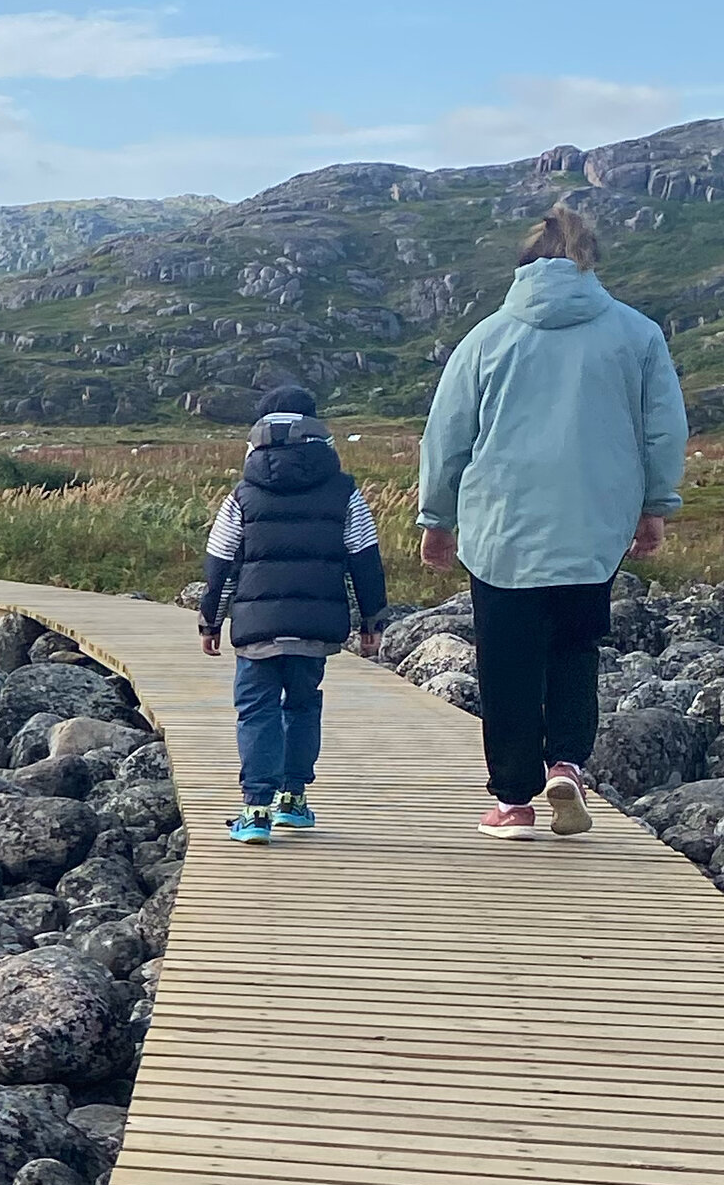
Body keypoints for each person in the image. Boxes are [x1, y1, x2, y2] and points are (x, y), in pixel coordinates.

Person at [418, 200, 686, 838]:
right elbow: (662, 431)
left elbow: (448, 435)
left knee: (507, 661)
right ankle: (566, 761)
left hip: (502, 527)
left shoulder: (487, 337)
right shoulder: (637, 333)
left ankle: (513, 801)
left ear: (524, 266)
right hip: (595, 523)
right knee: (574, 647)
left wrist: (438, 518)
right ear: (589, 261)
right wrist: (655, 507)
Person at [197, 380, 388, 843]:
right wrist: (371, 621)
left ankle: (255, 810)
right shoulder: (344, 492)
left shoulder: (242, 494)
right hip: (315, 625)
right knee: (302, 705)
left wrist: (210, 621)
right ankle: (293, 800)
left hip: (256, 626)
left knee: (256, 709)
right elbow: (364, 557)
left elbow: (220, 561)